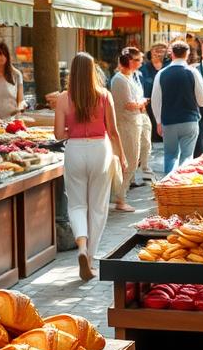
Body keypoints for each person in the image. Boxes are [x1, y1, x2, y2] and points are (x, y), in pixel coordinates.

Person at [54, 52, 126, 281]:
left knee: (76, 205)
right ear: (92, 70)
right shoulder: (104, 95)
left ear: (72, 72)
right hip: (100, 150)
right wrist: (122, 156)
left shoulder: (63, 98)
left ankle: (82, 247)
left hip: (74, 150)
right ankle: (91, 258)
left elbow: (57, 134)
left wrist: (73, 130)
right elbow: (113, 131)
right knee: (98, 207)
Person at [150, 40, 203, 174]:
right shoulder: (193, 72)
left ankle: (168, 186)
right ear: (187, 54)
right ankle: (183, 186)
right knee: (187, 156)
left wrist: (159, 121)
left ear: (172, 54)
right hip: (189, 120)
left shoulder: (161, 74)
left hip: (169, 121)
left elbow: (156, 100)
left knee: (170, 156)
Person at [109, 46, 147, 212]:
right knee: (129, 162)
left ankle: (120, 196)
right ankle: (120, 199)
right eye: (138, 60)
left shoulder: (130, 77)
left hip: (134, 123)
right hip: (126, 125)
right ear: (130, 61)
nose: (141, 63)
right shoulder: (119, 79)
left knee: (133, 160)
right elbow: (128, 104)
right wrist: (142, 104)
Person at [139, 43, 167, 149]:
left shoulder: (169, 67)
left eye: (161, 50)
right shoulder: (143, 69)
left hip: (166, 108)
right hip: (148, 108)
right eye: (155, 50)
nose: (158, 53)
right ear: (150, 52)